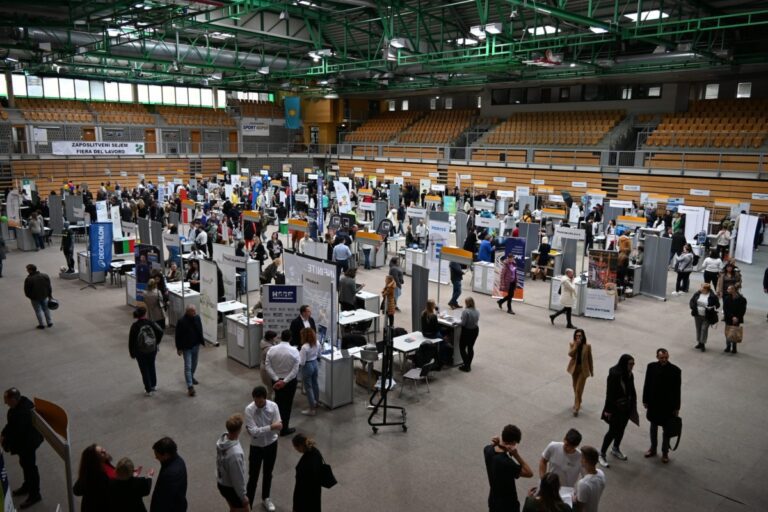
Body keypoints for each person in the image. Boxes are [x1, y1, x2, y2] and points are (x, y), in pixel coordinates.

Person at [1, 388, 43, 509]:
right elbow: (11, 425)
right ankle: (27, 486)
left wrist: (6, 443)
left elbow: (16, 433)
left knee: (30, 468)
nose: (5, 403)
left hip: (28, 445)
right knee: (25, 464)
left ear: (14, 400)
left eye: (7, 400)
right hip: (24, 444)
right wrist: (3, 433)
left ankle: (35, 494)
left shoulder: (22, 413)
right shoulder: (18, 406)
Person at [244, 385, 282, 512]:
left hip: (271, 444)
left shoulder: (273, 406)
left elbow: (279, 427)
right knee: (253, 476)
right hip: (256, 447)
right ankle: (248, 504)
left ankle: (266, 498)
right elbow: (253, 432)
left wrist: (260, 430)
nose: (258, 404)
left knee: (268, 473)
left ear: (265, 398)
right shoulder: (249, 409)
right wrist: (271, 427)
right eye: (255, 401)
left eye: (260, 402)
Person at [642, 349, 681, 464]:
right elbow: (647, 384)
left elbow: (677, 391)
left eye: (666, 357)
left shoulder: (675, 370)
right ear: (657, 357)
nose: (664, 360)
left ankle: (665, 452)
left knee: (667, 430)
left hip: (667, 406)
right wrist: (645, 400)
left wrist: (677, 407)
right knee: (653, 427)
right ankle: (653, 448)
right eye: (662, 358)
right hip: (654, 404)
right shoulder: (651, 367)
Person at [598, 354, 638, 468]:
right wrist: (608, 410)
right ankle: (602, 453)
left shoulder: (629, 374)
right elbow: (609, 393)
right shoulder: (615, 375)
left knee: (621, 429)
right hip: (615, 408)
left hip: (626, 407)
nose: (632, 366)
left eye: (633, 364)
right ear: (624, 363)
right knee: (612, 431)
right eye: (630, 364)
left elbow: (632, 390)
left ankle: (615, 448)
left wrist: (633, 405)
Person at [484, 424, 534, 512]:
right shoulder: (507, 463)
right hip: (508, 505)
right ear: (513, 443)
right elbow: (529, 473)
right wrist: (516, 455)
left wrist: (496, 443)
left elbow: (492, 447)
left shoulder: (487, 450)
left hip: (493, 500)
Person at [265, 330, 301, 437]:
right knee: (287, 405)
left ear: (280, 337)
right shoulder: (294, 351)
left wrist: (276, 379)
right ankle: (284, 429)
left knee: (277, 402)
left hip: (276, 380)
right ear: (290, 338)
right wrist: (284, 381)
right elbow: (295, 370)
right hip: (289, 382)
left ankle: (276, 425)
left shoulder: (271, 350)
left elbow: (267, 366)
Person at [216, 414, 249, 512]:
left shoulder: (223, 440)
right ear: (239, 430)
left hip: (222, 482)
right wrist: (243, 496)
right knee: (245, 509)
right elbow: (237, 478)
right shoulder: (235, 454)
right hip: (231, 488)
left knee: (233, 508)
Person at [129, 307, 164, 397]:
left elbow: (131, 341)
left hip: (140, 352)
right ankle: (153, 385)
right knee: (151, 366)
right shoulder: (151, 323)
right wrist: (156, 342)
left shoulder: (134, 326)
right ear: (145, 313)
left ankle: (148, 390)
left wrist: (132, 353)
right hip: (152, 350)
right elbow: (160, 331)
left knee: (144, 370)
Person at [73, 444, 116, 511]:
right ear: (95, 461)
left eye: (102, 449)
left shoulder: (104, 463)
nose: (104, 451)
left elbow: (76, 490)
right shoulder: (98, 479)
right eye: (101, 452)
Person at [150, 437, 187, 512]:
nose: (156, 457)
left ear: (166, 455)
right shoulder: (179, 460)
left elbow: (163, 500)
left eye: (157, 455)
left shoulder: (169, 474)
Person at [175, 305, 205, 396]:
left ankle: (191, 377)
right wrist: (179, 348)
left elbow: (200, 329)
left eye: (195, 311)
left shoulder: (197, 318)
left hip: (196, 345)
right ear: (187, 312)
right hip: (186, 348)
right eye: (192, 311)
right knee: (188, 366)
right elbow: (178, 336)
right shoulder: (181, 321)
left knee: (194, 364)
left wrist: (201, 341)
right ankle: (190, 387)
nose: (195, 312)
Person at [292, 433, 325, 512]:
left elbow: (299, 487)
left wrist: (295, 506)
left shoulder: (304, 465)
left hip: (305, 496)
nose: (296, 450)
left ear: (300, 446)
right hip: (316, 490)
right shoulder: (316, 452)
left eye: (296, 448)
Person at [567, 329, 593, 417]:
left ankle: (576, 407)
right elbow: (570, 354)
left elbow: (590, 359)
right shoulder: (572, 344)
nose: (578, 337)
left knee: (578, 388)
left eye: (580, 336)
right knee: (575, 387)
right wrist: (576, 346)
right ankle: (578, 401)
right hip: (574, 369)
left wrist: (591, 371)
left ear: (583, 336)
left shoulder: (587, 346)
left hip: (583, 370)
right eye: (577, 335)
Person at [572, 446, 605, 512]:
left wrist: (574, 500)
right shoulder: (601, 473)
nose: (580, 459)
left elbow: (579, 508)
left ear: (584, 460)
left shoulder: (583, 483)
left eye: (581, 457)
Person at [689, 282, 720, 352]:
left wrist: (712, 307)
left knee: (704, 329)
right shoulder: (697, 293)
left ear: (706, 289)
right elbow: (692, 301)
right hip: (697, 315)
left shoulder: (712, 296)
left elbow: (717, 305)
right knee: (698, 329)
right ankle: (699, 342)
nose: (700, 288)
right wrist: (693, 307)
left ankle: (702, 344)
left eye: (702, 287)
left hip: (707, 316)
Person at [24, 264, 53, 329]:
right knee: (46, 309)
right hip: (44, 296)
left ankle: (41, 324)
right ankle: (49, 322)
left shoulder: (29, 279)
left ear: (30, 270)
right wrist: (50, 295)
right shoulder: (45, 275)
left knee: (38, 311)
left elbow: (27, 290)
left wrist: (30, 296)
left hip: (34, 298)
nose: (27, 270)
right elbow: (49, 286)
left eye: (27, 269)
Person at [299, 328, 321, 417]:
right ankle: (316, 402)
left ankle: (312, 409)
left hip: (307, 366)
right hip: (315, 364)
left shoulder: (304, 347)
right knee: (315, 384)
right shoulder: (317, 343)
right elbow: (319, 355)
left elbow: (302, 362)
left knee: (308, 388)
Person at [722, 285, 747, 354]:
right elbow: (725, 309)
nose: (727, 290)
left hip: (737, 319)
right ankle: (728, 346)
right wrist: (732, 317)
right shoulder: (727, 298)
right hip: (729, 318)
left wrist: (737, 317)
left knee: (735, 332)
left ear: (733, 290)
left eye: (729, 289)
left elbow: (743, 310)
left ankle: (734, 347)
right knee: (728, 332)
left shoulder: (742, 299)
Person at [458, 297, 480, 372]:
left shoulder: (466, 311)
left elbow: (463, 324)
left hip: (467, 331)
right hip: (475, 330)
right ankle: (468, 364)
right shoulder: (477, 311)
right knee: (470, 347)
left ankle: (466, 365)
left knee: (462, 348)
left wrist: (457, 322)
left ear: (467, 303)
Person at [260, 330, 279, 398]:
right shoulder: (269, 349)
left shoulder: (264, 342)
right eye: (275, 337)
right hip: (267, 369)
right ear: (271, 338)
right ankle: (270, 400)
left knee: (270, 387)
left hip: (265, 367)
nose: (277, 338)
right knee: (271, 388)